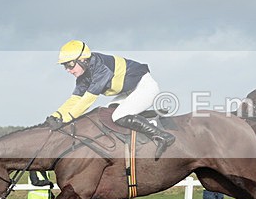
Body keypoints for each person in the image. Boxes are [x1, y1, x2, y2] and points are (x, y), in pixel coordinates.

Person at [44, 40, 175, 158]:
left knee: (118, 116)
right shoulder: (84, 75)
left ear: (82, 60)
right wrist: (56, 115)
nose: (68, 70)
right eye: (65, 66)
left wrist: (65, 119)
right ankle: (143, 119)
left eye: (70, 65)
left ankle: (163, 136)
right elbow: (75, 99)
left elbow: (87, 101)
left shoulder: (100, 68)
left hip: (144, 87)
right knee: (107, 113)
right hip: (130, 91)